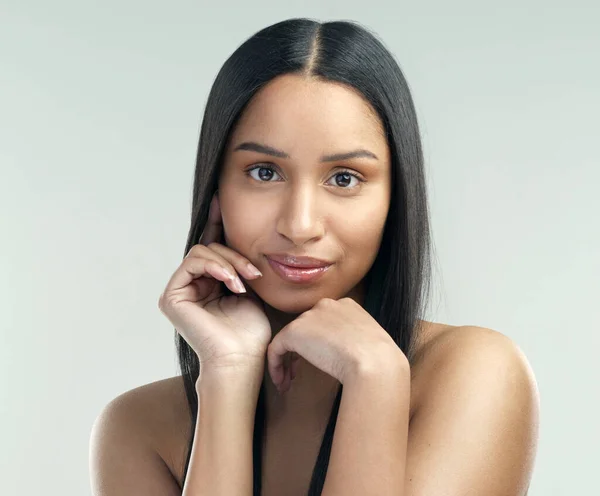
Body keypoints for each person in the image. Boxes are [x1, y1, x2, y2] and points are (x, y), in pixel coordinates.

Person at [89, 17, 539, 496]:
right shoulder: (140, 429)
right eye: (264, 172)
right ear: (216, 188)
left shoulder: (474, 375)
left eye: (344, 178)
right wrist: (226, 376)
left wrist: (376, 381)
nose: (300, 225)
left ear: (395, 200)